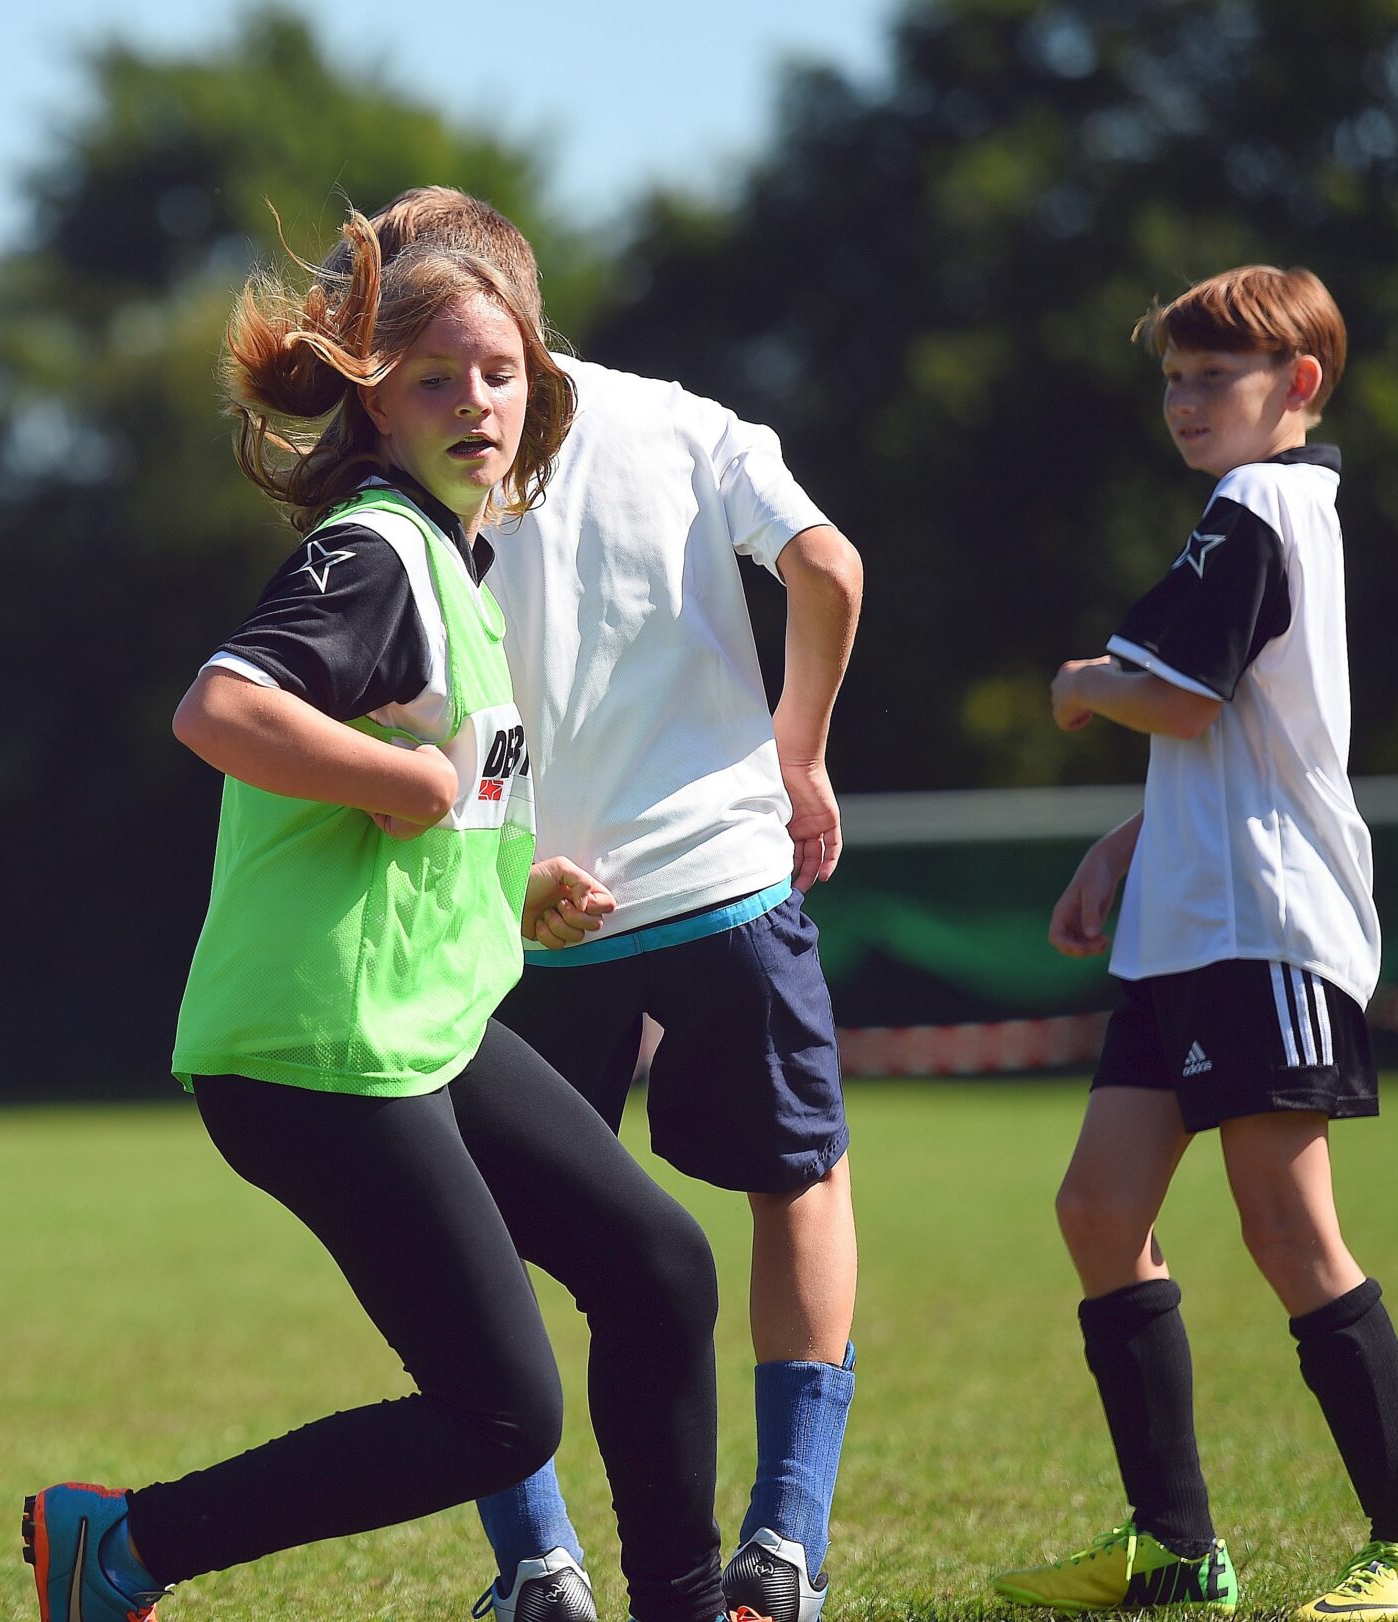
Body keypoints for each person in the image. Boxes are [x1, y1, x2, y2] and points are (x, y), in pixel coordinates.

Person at [23, 211, 726, 1622]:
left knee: (659, 1266)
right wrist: (398, 776)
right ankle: (122, 1544)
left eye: (501, 374)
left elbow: (426, 803)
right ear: (374, 402)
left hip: (421, 1030)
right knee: (501, 1416)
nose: (476, 401)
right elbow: (219, 708)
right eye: (435, 379)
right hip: (316, 1055)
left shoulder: (453, 572)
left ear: (537, 393)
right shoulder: (376, 555)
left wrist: (506, 877)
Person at [344, 190, 864, 1622]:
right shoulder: (685, 421)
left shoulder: (427, 459)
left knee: (485, 1239)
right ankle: (786, 1543)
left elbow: (421, 704)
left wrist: (499, 863)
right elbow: (827, 562)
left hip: (524, 914)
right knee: (798, 1181)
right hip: (722, 882)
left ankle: (538, 1564)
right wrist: (797, 749)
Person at [992, 265, 1398, 1621]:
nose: (1187, 399)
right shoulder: (1268, 513)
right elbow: (1238, 733)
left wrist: (1088, 685)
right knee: (1099, 1209)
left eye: (1217, 375)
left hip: (1264, 929)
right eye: (1174, 377)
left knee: (1286, 1223)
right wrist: (1130, 842)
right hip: (1188, 925)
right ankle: (1175, 1548)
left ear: (1299, 387)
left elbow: (1185, 699)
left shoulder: (1257, 505)